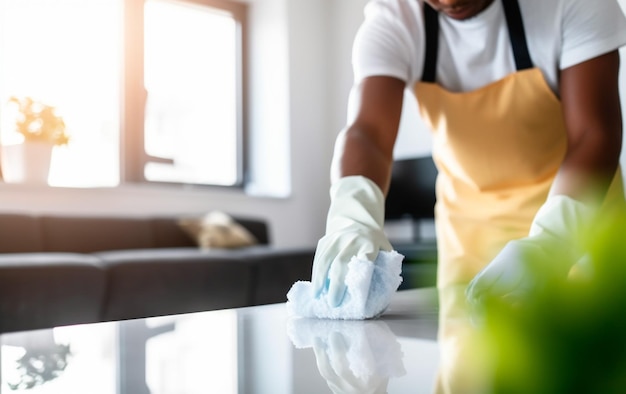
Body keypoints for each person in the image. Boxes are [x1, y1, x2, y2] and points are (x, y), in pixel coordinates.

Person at [311, 0, 626, 307]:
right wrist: (352, 214)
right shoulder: (394, 21)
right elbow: (369, 132)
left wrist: (553, 243)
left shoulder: (574, 4)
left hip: (579, 229)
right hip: (469, 240)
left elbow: (594, 133)